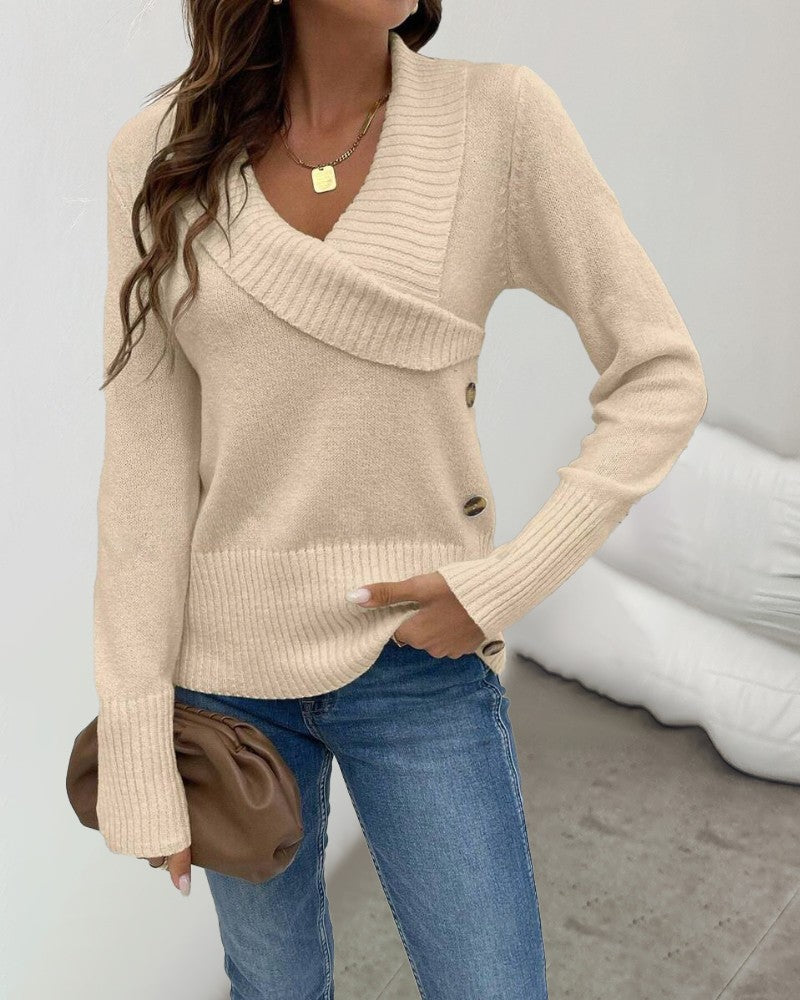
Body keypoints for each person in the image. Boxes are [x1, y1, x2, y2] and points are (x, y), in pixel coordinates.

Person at [92, 1, 707, 997]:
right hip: (226, 676)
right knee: (272, 987)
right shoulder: (158, 156)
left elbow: (659, 373)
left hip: (421, 662)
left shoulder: (498, 120)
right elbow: (143, 472)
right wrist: (134, 737)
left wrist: (501, 584)